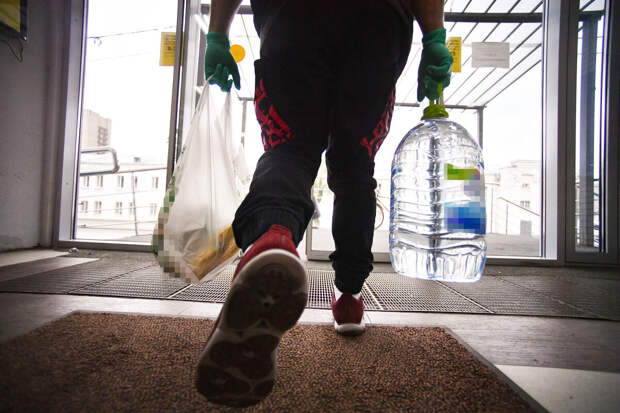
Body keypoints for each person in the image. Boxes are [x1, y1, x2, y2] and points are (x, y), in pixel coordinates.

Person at [195, 0, 453, 407]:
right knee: (354, 168)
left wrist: (217, 34)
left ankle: (273, 237)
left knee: (290, 150)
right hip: (378, 22)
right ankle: (348, 297)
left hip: (292, 16)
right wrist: (434, 35)